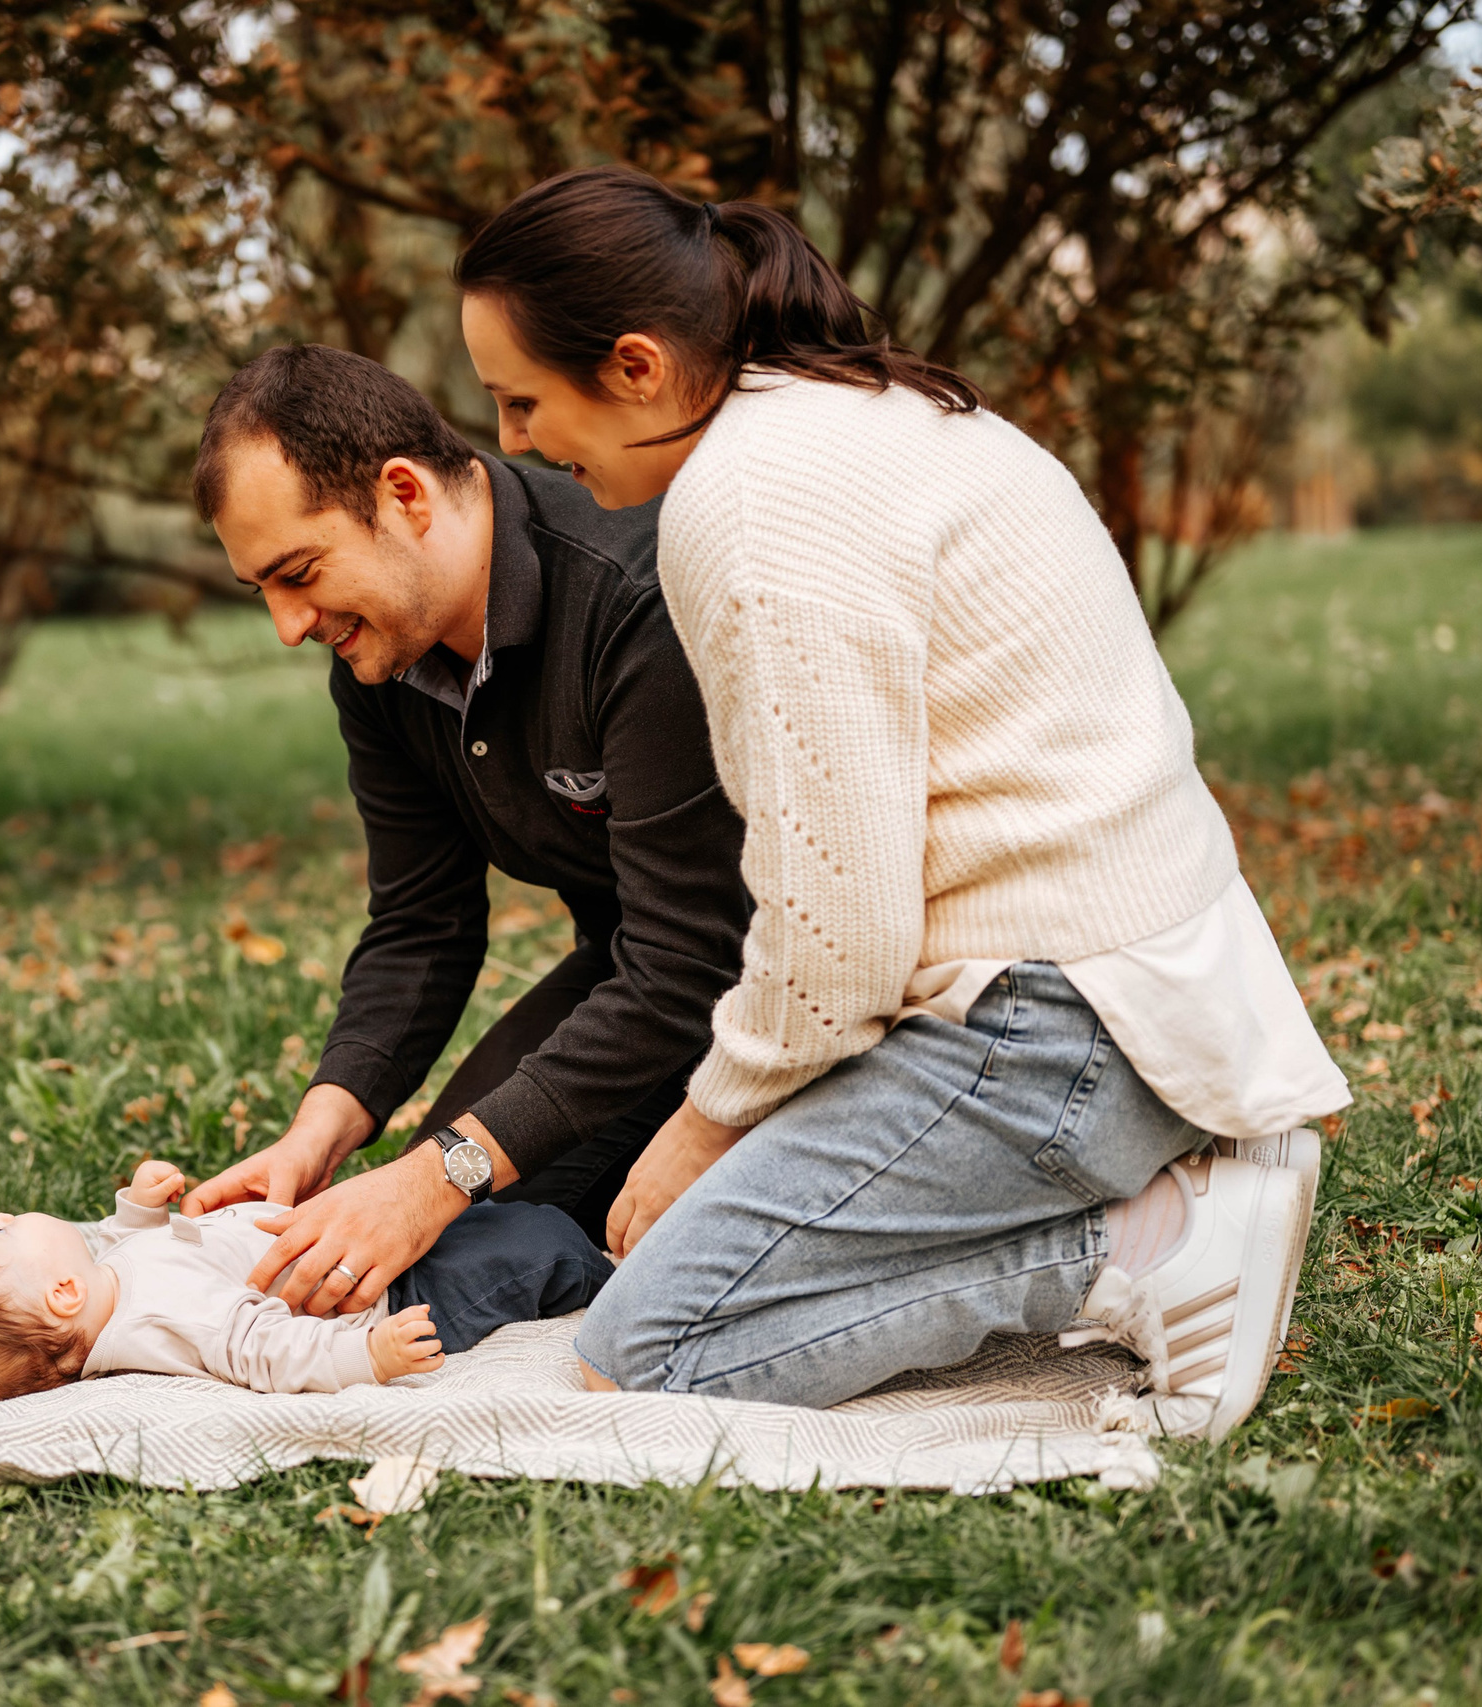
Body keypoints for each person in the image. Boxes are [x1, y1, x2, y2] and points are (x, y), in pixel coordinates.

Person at [450, 167, 1351, 1441]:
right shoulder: (849, 407)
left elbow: (839, 938)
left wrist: (704, 1129)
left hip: (1051, 1028)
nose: (520, 440)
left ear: (639, 366)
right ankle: (1155, 1196)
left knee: (649, 1346)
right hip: (1128, 982)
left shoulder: (751, 503)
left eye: (522, 399)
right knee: (718, 1265)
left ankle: (1145, 1251)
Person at [176, 345, 752, 1319]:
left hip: (790, 993)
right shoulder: (380, 659)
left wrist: (446, 1169)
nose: (286, 624)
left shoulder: (631, 599)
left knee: (464, 1188)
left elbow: (693, 957)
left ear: (402, 493)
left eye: (298, 573)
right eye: (260, 590)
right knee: (425, 1239)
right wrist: (320, 1134)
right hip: (635, 978)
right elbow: (421, 922)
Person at [0, 1161, 614, 1406]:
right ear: (62, 1295)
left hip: (339, 1241)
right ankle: (609, 1275)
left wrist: (138, 1208)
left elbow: (124, 1252)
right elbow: (271, 1350)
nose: (4, 1214)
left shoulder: (105, 1289)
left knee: (495, 1207)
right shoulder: (174, 1319)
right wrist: (372, 1357)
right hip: (386, 1291)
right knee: (535, 1241)